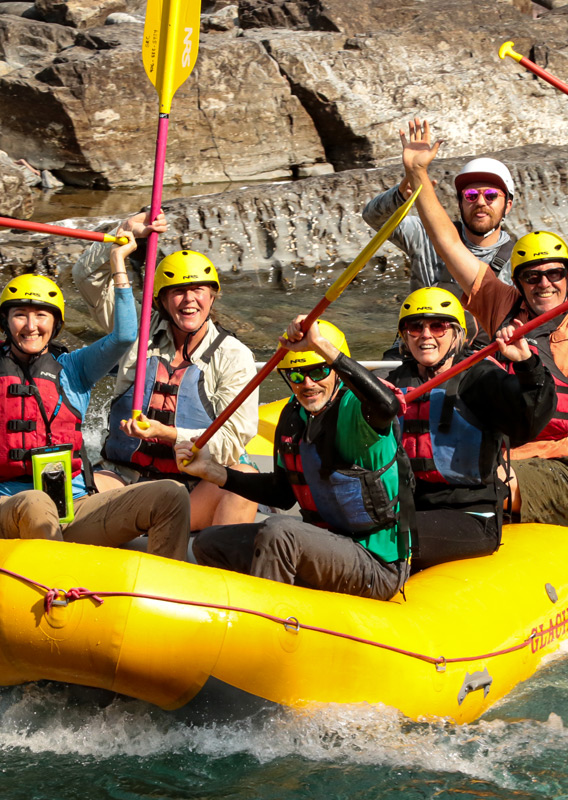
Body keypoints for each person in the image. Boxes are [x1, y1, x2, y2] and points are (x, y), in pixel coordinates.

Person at [400, 117, 568, 527]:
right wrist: (418, 173)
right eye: (532, 276)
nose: (544, 284)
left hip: (556, 463)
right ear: (520, 281)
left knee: (485, 480)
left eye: (555, 274)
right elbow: (447, 242)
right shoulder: (503, 304)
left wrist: (531, 454)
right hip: (501, 446)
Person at [174, 319, 414, 601]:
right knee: (211, 543)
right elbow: (282, 493)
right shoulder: (293, 417)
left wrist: (322, 347)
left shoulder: (358, 411)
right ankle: (232, 618)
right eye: (296, 376)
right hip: (323, 547)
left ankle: (265, 625)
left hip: (375, 562)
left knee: (280, 532)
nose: (308, 384)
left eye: (319, 371)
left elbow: (389, 405)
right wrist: (214, 471)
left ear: (336, 370)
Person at [0, 237, 190, 559]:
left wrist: (118, 261)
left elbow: (126, 335)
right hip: (10, 509)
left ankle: (163, 596)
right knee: (36, 502)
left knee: (171, 495)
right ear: (6, 321)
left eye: (41, 316)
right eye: (20, 315)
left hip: (74, 506)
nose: (31, 326)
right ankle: (53, 594)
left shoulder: (74, 369)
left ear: (56, 324)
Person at [72, 211, 259, 531]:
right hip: (124, 481)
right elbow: (85, 278)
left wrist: (167, 435)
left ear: (212, 295)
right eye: (178, 291)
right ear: (161, 300)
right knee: (68, 494)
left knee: (246, 480)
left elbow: (230, 442)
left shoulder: (234, 356)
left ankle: (222, 566)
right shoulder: (135, 332)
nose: (190, 300)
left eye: (199, 290)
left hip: (191, 488)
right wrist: (125, 231)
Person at [383, 287, 555, 570]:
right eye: (415, 327)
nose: (426, 335)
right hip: (412, 507)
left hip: (472, 515)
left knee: (382, 537)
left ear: (456, 334)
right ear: (405, 336)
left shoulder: (480, 380)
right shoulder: (393, 384)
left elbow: (529, 420)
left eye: (438, 326)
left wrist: (526, 365)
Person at [362, 120, 515, 349]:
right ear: (460, 203)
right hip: (415, 353)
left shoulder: (519, 261)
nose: (481, 202)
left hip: (480, 364)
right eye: (471, 195)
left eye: (491, 196)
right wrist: (401, 196)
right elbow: (373, 217)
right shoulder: (424, 234)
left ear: (508, 205)